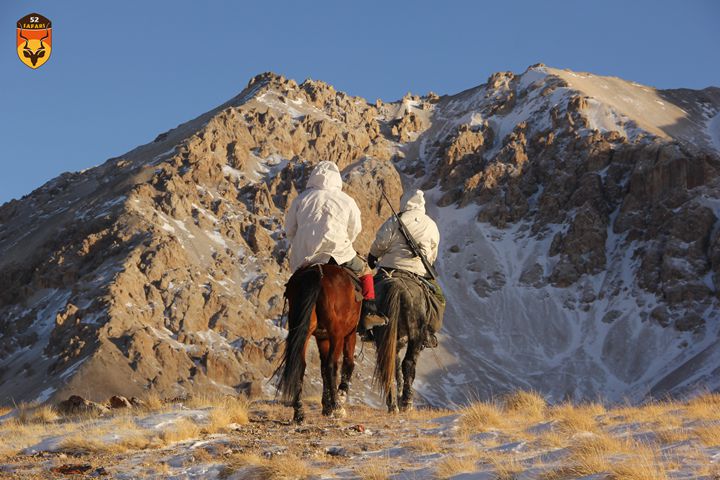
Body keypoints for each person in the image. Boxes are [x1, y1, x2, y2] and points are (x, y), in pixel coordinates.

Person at [285, 161, 386, 338]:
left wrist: (303, 245)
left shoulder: (301, 198)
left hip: (305, 254)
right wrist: (344, 243)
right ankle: (369, 310)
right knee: (365, 271)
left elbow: (290, 230)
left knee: (296, 281)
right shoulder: (346, 200)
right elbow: (355, 229)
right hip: (338, 252)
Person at [368, 189, 443, 347]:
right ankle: (429, 332)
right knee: (439, 297)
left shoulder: (396, 219)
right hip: (419, 271)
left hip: (390, 268)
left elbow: (381, 242)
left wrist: (373, 255)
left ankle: (366, 324)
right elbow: (433, 253)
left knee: (367, 290)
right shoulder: (431, 224)